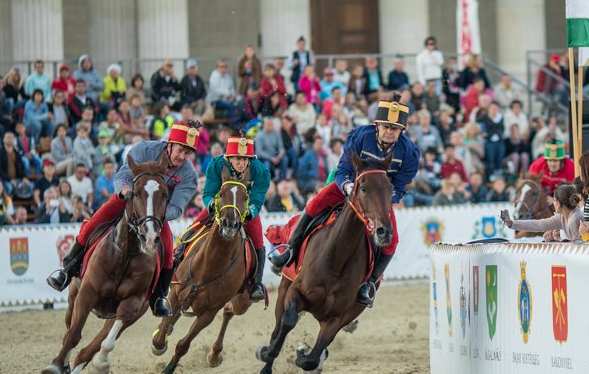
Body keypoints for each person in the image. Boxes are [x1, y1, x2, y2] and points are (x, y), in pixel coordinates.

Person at [271, 92, 420, 308]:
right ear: (376, 125)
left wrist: (386, 199)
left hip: (377, 197)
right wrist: (348, 187)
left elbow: (400, 185)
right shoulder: (360, 137)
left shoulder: (409, 152)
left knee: (392, 240)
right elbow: (343, 170)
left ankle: (368, 283)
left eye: (395, 129)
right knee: (314, 205)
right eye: (386, 126)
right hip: (349, 186)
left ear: (402, 131)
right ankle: (291, 250)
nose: (389, 132)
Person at [46, 122, 200, 317]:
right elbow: (123, 174)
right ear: (169, 144)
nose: (182, 157)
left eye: (187, 153)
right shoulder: (144, 149)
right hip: (128, 200)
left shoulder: (189, 174)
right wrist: (126, 190)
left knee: (169, 251)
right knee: (93, 223)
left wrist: (153, 215)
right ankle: (66, 271)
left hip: (155, 217)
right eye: (180, 151)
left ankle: (160, 297)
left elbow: (177, 207)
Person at [174, 135, 268, 302]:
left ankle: (256, 284)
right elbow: (209, 192)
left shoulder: (260, 170)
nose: (242, 163)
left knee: (259, 243)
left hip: (244, 209)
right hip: (221, 206)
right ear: (229, 158)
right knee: (192, 229)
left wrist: (250, 212)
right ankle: (176, 260)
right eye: (238, 159)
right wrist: (211, 205)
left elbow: (258, 197)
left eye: (246, 159)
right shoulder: (216, 165)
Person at [501, 183, 584, 242]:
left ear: (559, 203)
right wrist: (511, 223)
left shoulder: (575, 218)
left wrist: (559, 241)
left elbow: (579, 246)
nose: (553, 203)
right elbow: (538, 225)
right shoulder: (562, 217)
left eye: (554, 200)